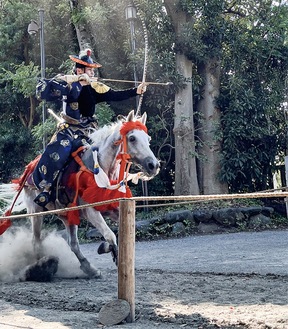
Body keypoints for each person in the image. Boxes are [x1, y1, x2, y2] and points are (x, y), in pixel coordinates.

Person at [32, 48, 146, 207]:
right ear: (80, 70)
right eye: (90, 70)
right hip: (69, 130)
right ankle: (47, 187)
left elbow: (114, 95)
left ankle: (112, 185)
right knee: (60, 150)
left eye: (93, 70)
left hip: (89, 132)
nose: (93, 73)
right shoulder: (68, 85)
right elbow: (43, 90)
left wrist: (136, 91)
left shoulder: (95, 88)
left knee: (108, 150)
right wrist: (73, 79)